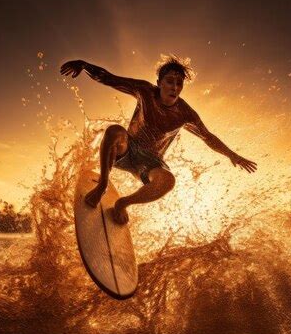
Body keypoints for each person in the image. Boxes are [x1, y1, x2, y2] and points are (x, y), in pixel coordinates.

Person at [60, 55, 257, 224]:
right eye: (170, 81)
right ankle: (102, 184)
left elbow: (208, 137)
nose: (175, 87)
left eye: (179, 83)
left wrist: (233, 156)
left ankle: (123, 204)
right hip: (126, 149)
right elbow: (109, 78)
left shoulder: (185, 113)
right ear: (159, 82)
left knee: (168, 180)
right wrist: (84, 65)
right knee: (114, 131)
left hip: (149, 163)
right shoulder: (145, 91)